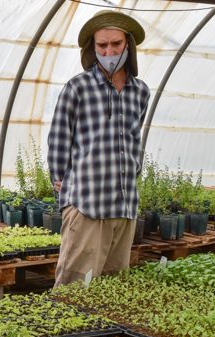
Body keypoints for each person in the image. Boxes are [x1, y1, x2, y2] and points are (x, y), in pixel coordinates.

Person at [47, 10, 150, 287]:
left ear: (128, 44)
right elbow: (59, 138)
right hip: (88, 206)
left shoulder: (140, 91)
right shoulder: (78, 87)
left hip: (124, 207)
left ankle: (101, 333)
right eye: (102, 45)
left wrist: (132, 172)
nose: (109, 51)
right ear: (93, 49)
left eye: (116, 44)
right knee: (74, 288)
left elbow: (134, 138)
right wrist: (64, 186)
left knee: (111, 291)